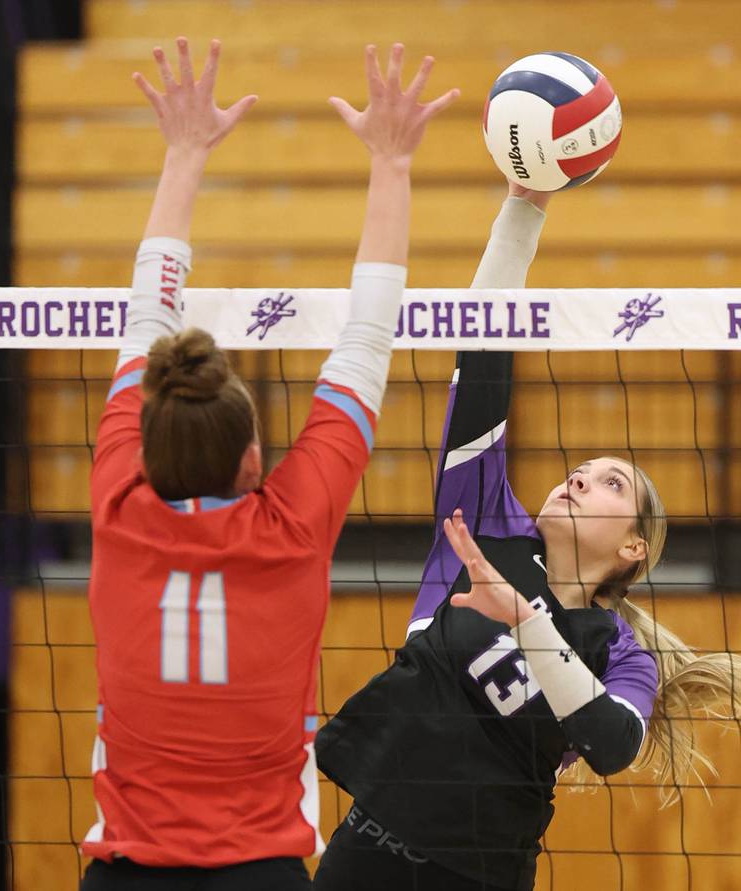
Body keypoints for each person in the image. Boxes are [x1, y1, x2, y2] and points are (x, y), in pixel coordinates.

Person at [77, 36, 459, 891]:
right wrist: (391, 162)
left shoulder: (116, 501)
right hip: (260, 872)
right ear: (255, 460)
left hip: (127, 873)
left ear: (148, 442)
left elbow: (146, 314)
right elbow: (368, 334)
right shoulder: (290, 526)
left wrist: (181, 152)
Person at [313, 183, 741, 891]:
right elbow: (482, 348)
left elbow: (610, 744)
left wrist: (525, 617)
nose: (579, 477)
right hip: (366, 855)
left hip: (482, 878)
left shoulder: (623, 654)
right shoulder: (482, 522)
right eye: (580, 468)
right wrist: (525, 205)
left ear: (634, 548)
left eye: (611, 483)